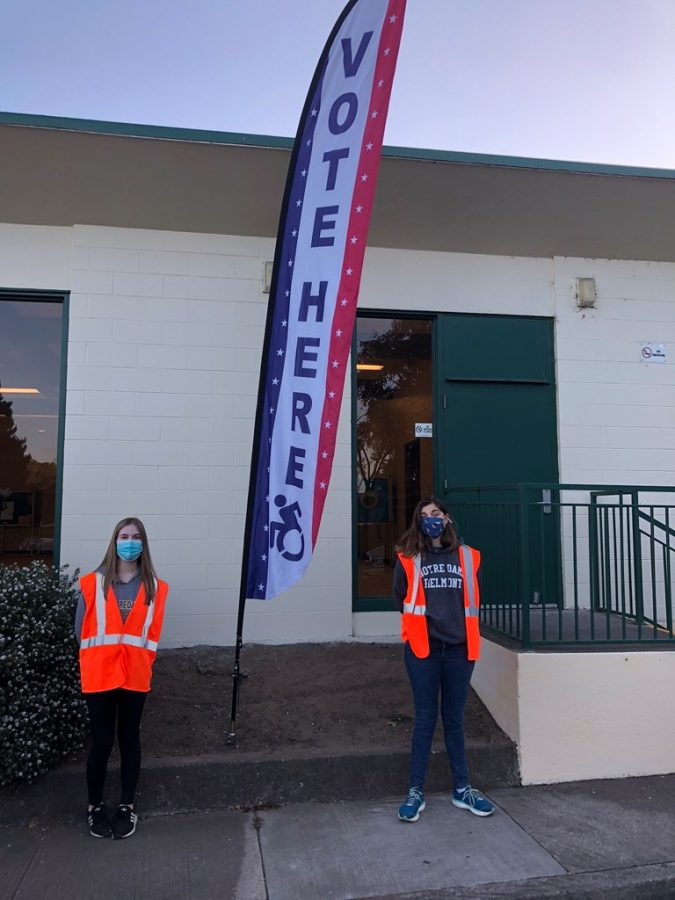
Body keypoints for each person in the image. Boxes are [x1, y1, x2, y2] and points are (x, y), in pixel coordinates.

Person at [393, 497, 494, 822]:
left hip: (459, 651)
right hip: (423, 650)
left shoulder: (468, 556)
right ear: (418, 523)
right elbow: (400, 597)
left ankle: (462, 789)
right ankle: (415, 791)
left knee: (454, 720)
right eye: (424, 516)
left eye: (435, 514)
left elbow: (474, 598)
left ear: (447, 519)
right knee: (424, 720)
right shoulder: (409, 558)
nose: (431, 520)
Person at [74, 517, 169, 839]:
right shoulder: (92, 584)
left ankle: (127, 806)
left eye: (136, 536)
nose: (130, 542)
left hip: (135, 676)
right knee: (101, 741)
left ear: (144, 544)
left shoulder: (155, 588)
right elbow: (80, 632)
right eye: (124, 536)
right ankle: (95, 807)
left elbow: (152, 634)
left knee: (129, 738)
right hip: (99, 675)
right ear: (114, 542)